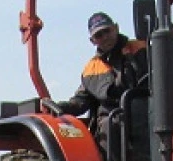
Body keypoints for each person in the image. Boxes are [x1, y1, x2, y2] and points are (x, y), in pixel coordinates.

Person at [42, 12, 149, 153]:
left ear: (116, 28)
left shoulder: (142, 50)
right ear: (92, 41)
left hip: (147, 113)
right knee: (108, 124)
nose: (105, 37)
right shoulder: (91, 70)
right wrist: (60, 107)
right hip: (113, 123)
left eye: (107, 31)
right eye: (99, 35)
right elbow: (80, 102)